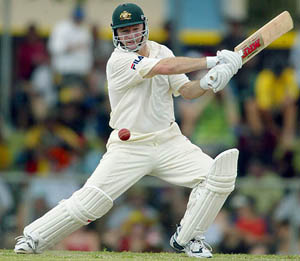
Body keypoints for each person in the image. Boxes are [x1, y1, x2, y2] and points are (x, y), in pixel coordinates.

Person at [14, 3, 242, 258]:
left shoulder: (162, 50)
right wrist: (213, 60)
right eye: (124, 31)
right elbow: (163, 67)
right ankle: (33, 237)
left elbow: (187, 91)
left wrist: (210, 81)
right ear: (116, 34)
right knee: (93, 201)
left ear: (145, 26)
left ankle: (189, 238)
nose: (131, 35)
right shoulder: (119, 61)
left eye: (135, 28)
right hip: (129, 146)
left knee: (218, 177)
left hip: (169, 141)